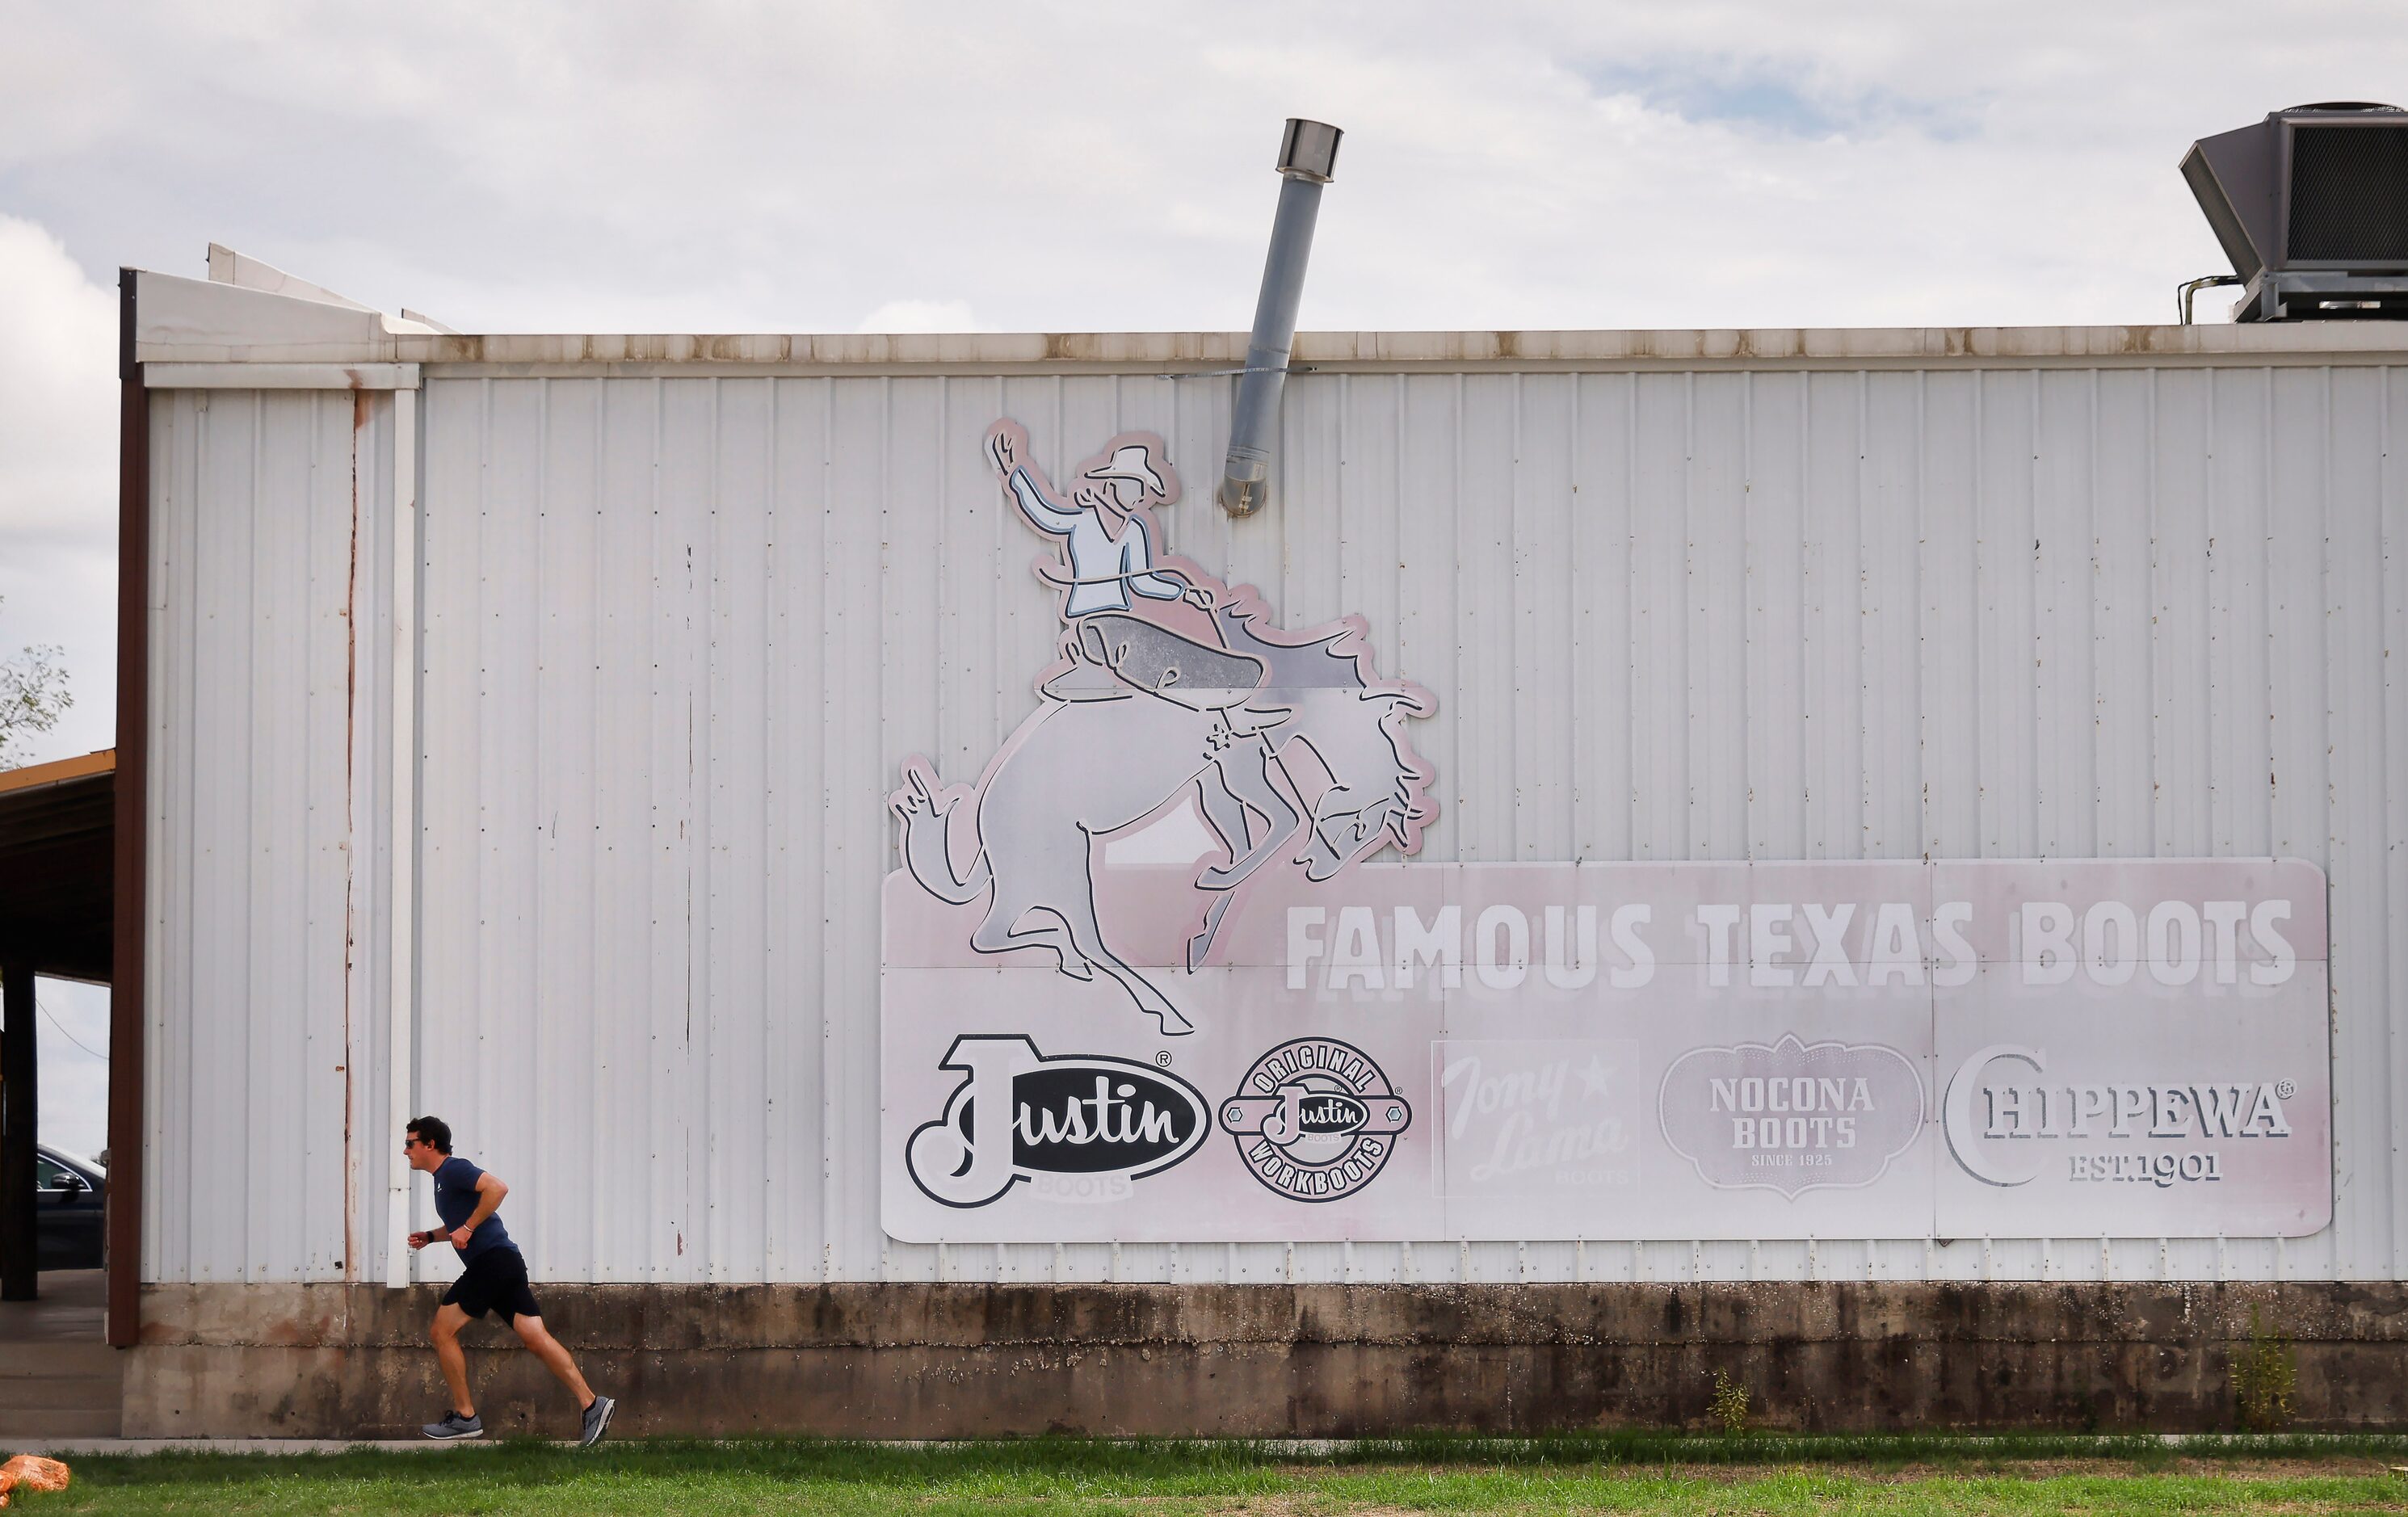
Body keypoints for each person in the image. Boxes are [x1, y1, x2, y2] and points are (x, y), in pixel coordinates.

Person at [403, 1116, 616, 1445]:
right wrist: (432, 1236)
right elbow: (461, 1223)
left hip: (491, 1263)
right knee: (535, 1337)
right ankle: (592, 1404)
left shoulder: (453, 1169)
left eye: (410, 1143)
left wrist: (468, 1228)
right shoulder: (443, 1180)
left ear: (430, 1144)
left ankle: (465, 1417)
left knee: (441, 1332)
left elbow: (497, 1188)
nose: (406, 1151)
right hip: (505, 1263)